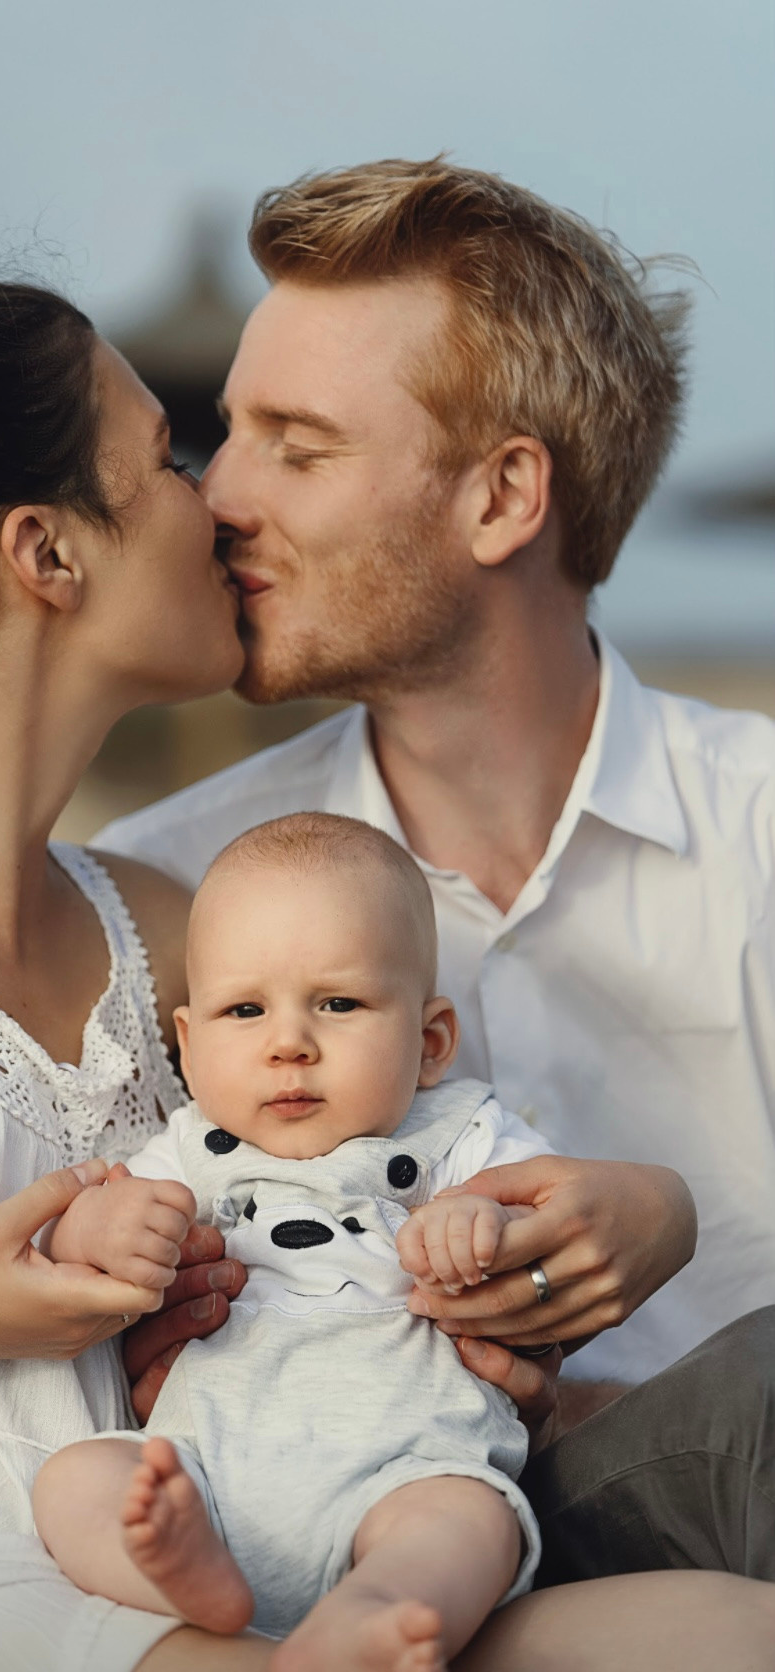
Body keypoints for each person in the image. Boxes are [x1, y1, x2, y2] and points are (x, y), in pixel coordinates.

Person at [0, 270, 771, 1672]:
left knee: (726, 1635)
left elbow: (347, 1213)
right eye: (169, 460)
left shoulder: (177, 924)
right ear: (48, 554)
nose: (224, 502)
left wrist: (553, 1276)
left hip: (180, 1553)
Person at [98, 158, 775, 1586]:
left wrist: (670, 1221)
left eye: (295, 442)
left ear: (501, 497)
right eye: (229, 432)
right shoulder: (166, 889)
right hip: (338, 1542)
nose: (215, 493)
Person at [34, 811, 568, 1672]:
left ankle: (374, 1611)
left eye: (338, 1003)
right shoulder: (189, 1147)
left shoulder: (458, 1134)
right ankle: (183, 1581)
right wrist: (104, 1228)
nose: (288, 1044)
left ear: (429, 1043)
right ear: (188, 1044)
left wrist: (483, 1221)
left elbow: (548, 1215)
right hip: (207, 1466)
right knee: (78, 1482)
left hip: (405, 1462)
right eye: (244, 1010)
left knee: (470, 1519)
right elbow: (73, 1235)